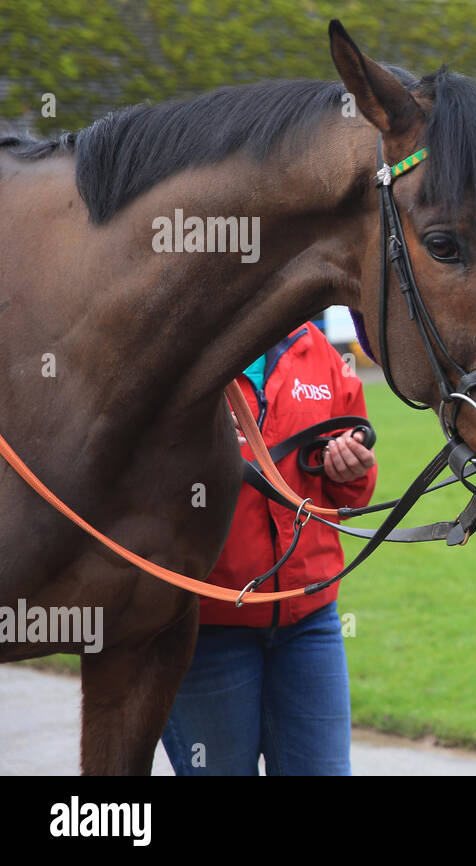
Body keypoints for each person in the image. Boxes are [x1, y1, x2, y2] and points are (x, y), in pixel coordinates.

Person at [162, 321, 377, 776]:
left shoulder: (315, 348)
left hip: (310, 622)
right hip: (206, 630)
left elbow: (352, 497)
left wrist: (350, 471)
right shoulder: (177, 347)